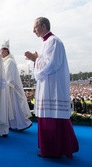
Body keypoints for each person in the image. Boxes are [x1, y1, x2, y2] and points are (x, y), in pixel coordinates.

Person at [25, 17, 79, 158]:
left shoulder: (53, 41)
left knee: (52, 119)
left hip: (53, 88)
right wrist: (36, 59)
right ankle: (55, 148)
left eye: (35, 27)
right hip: (48, 85)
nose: (33, 31)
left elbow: (52, 64)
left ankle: (53, 150)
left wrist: (35, 59)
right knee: (51, 118)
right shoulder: (47, 42)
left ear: (43, 26)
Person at [1, 40, 32, 131]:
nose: (1, 53)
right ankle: (12, 125)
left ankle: (23, 124)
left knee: (15, 108)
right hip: (6, 87)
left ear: (6, 51)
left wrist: (5, 84)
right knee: (9, 109)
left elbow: (9, 76)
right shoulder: (4, 61)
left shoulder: (10, 61)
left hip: (11, 88)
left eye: (2, 50)